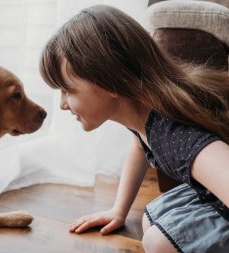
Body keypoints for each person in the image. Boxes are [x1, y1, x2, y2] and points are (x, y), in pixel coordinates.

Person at [39, 4, 229, 253]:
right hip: (213, 190)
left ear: (109, 82)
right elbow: (139, 144)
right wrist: (119, 210)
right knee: (152, 220)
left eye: (68, 90)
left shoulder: (175, 135)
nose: (63, 105)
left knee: (159, 243)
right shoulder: (143, 112)